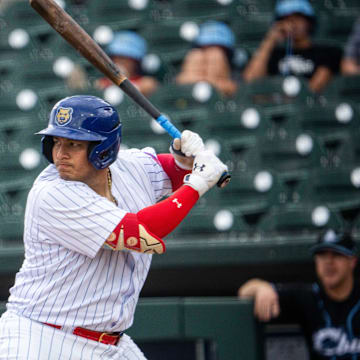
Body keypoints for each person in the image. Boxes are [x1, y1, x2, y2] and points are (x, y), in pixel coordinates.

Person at [0, 95, 227, 359]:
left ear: (104, 148)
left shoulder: (130, 166)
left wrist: (183, 161)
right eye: (57, 142)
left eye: (73, 143)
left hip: (109, 344)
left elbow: (170, 172)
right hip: (41, 338)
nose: (60, 154)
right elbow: (143, 232)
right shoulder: (52, 193)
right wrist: (197, 183)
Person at [238, 229, 360, 360]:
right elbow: (244, 291)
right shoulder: (309, 296)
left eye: (336, 255)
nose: (328, 262)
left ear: (352, 261)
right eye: (322, 255)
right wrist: (262, 288)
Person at [243, 0, 343, 93]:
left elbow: (315, 87)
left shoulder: (327, 52)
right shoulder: (274, 54)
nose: (292, 23)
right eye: (286, 18)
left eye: (298, 17)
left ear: (309, 21)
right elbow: (251, 81)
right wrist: (270, 39)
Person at [176, 20, 238, 97]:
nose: (208, 56)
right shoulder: (195, 55)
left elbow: (232, 87)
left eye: (219, 49)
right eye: (204, 49)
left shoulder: (236, 78)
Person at [96, 31, 159, 96]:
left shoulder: (145, 82)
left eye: (124, 58)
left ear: (136, 62)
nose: (118, 61)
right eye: (115, 57)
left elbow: (148, 86)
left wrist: (122, 81)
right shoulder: (104, 82)